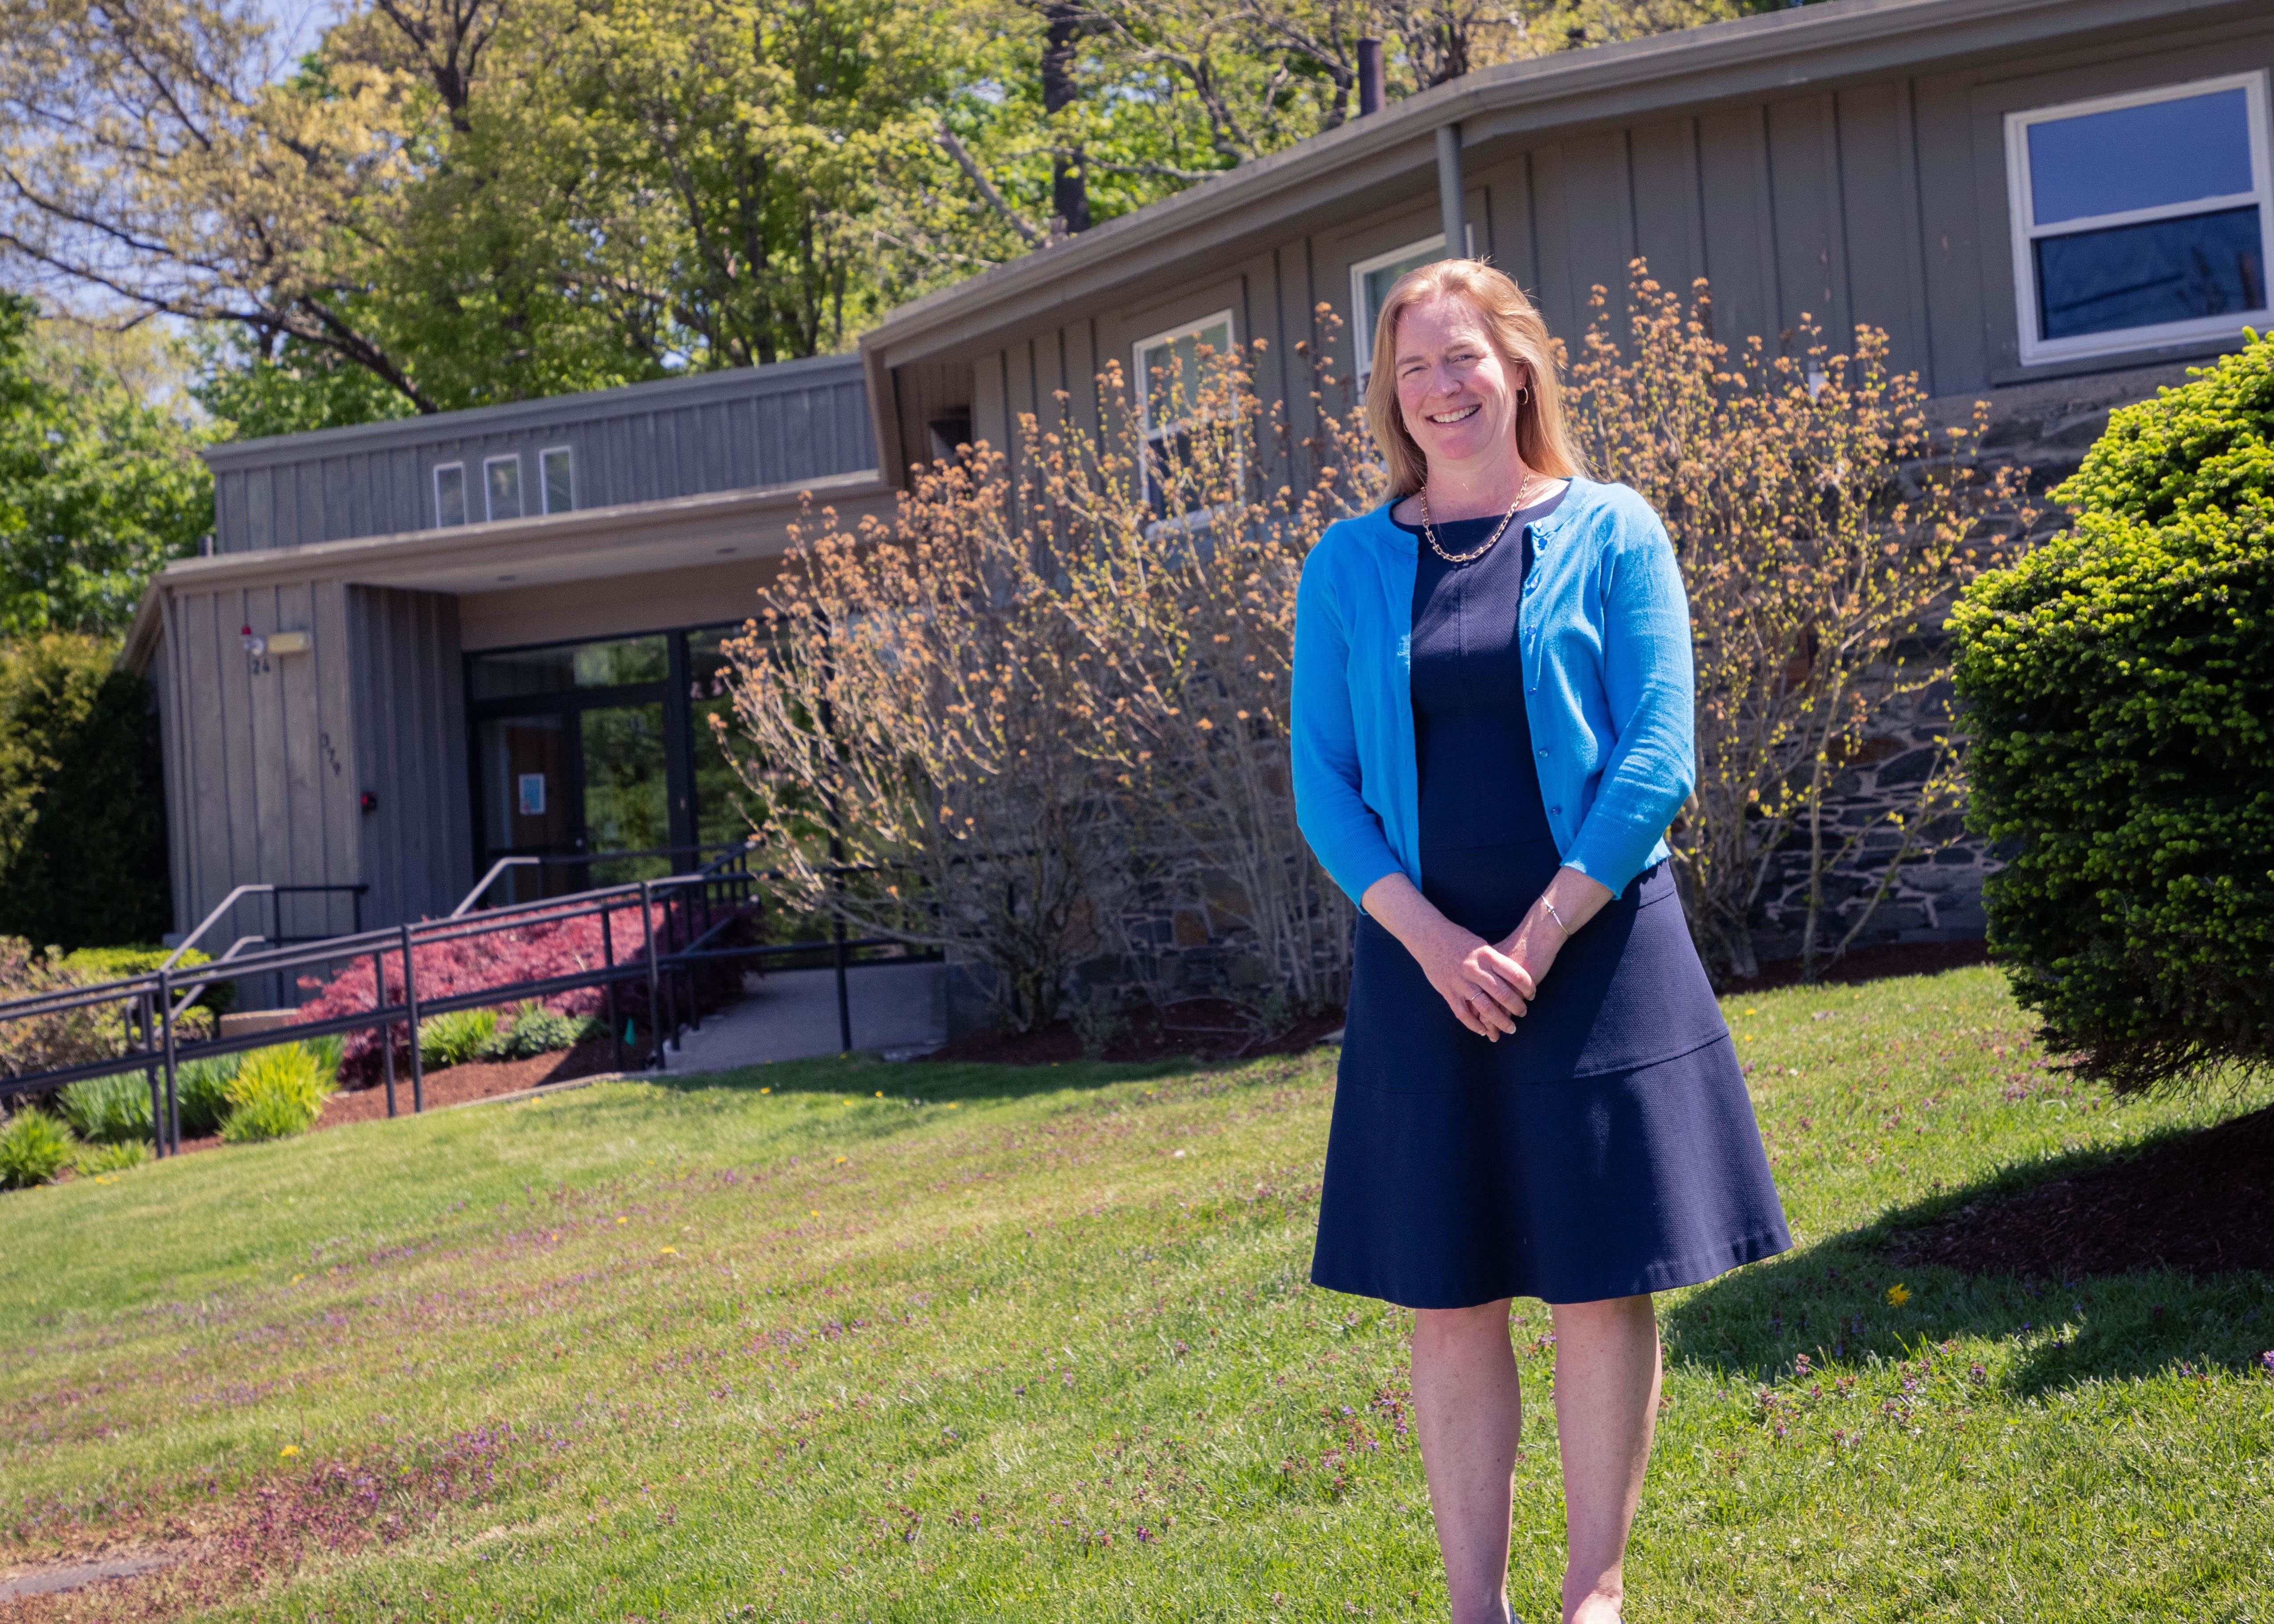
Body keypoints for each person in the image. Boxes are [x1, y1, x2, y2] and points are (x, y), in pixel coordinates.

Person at [1291, 259, 1789, 1624]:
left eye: (1462, 356)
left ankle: (1595, 1590)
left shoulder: (1613, 527)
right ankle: (1472, 1606)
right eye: (1414, 368)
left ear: (1518, 365)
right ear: (1391, 397)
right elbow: (1321, 785)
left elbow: (1655, 750)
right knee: (1446, 1292)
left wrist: (1538, 925)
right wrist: (1436, 943)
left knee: (1594, 1276)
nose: (1442, 387)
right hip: (1421, 966)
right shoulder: (1344, 563)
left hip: (1596, 944)